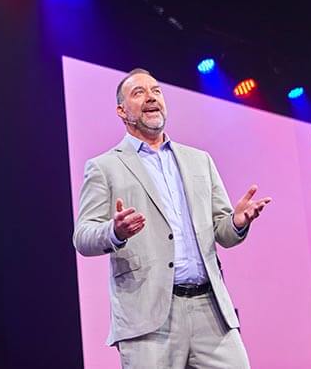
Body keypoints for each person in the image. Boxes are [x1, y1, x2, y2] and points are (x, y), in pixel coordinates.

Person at [72, 68, 271, 368]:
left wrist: (237, 223)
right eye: (138, 92)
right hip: (149, 320)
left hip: (210, 312)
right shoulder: (104, 167)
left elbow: (222, 232)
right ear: (121, 111)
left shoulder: (199, 160)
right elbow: (83, 236)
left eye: (156, 91)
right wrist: (115, 231)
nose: (151, 97)